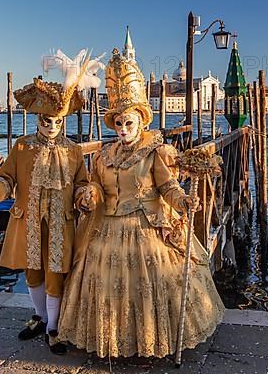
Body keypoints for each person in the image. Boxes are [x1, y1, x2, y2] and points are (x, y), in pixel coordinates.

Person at [58, 46, 225, 358]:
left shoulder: (154, 151)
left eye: (129, 124)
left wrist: (183, 200)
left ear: (140, 122)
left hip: (148, 225)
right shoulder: (105, 154)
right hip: (107, 226)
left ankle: (150, 342)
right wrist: (89, 195)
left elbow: (168, 185)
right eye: (119, 124)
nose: (123, 130)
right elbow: (95, 184)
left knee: (151, 287)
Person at [0, 49, 103, 354]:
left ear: (62, 121)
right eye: (46, 120)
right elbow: (7, 180)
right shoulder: (22, 147)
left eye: (56, 121)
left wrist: (85, 195)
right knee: (32, 272)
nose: (51, 126)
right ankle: (39, 317)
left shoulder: (73, 151)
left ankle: (54, 326)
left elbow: (82, 182)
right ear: (39, 119)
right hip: (27, 220)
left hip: (60, 222)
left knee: (56, 273)